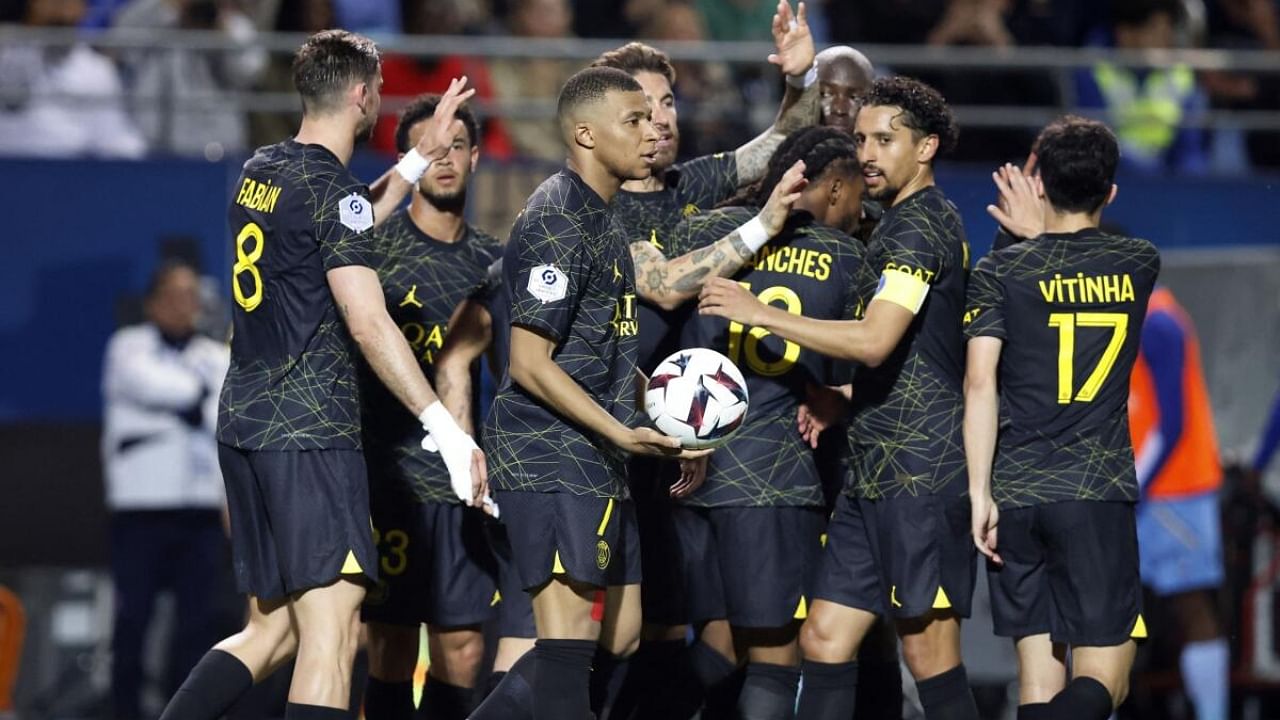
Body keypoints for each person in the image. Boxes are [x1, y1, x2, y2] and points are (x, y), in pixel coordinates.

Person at [157, 30, 483, 720]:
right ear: (363, 96)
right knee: (333, 635)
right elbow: (367, 321)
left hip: (244, 421)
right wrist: (443, 429)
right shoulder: (333, 192)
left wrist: (416, 163)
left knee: (272, 629)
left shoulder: (262, 169)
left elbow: (341, 218)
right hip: (310, 430)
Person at [700, 76, 979, 720]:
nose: (870, 153)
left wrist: (756, 312)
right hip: (872, 469)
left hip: (920, 470)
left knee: (928, 653)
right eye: (861, 139)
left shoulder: (919, 226)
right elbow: (914, 351)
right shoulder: (895, 225)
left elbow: (878, 339)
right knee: (823, 638)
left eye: (887, 139)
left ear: (927, 147)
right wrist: (841, 395)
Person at [477, 65, 708, 720]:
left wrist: (664, 419)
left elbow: (605, 351)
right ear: (585, 132)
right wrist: (619, 431)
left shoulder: (604, 221)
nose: (653, 129)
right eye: (632, 120)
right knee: (567, 645)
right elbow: (528, 362)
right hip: (552, 457)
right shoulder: (557, 219)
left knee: (616, 633)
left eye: (654, 116)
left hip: (594, 460)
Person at [661, 126, 874, 720]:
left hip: (688, 475)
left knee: (717, 637)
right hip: (775, 480)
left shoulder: (710, 233)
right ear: (834, 186)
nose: (860, 213)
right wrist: (842, 396)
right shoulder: (848, 260)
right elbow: (875, 362)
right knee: (774, 661)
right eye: (856, 195)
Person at [962, 115, 1160, 720]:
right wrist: (1039, 232)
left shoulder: (999, 272)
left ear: (1039, 185)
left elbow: (978, 383)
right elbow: (1070, 263)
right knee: (1106, 684)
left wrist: (978, 495)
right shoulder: (1139, 261)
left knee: (1037, 685)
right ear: (1111, 192)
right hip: (1094, 495)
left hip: (1016, 497)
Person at [357, 95, 503, 720]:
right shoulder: (371, 249)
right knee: (387, 644)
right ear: (409, 160)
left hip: (466, 485)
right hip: (388, 482)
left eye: (459, 148)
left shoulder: (496, 262)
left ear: (476, 158)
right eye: (432, 149)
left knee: (464, 648)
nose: (446, 161)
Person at [102, 260, 231, 720]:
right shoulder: (127, 346)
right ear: (154, 301)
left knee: (196, 624)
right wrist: (195, 392)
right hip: (141, 511)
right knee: (132, 620)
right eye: (174, 295)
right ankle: (126, 711)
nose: (185, 305)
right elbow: (150, 386)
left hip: (198, 513)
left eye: (192, 295)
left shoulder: (215, 355)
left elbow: (222, 419)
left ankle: (182, 713)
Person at [1129, 287, 1229, 720]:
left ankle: (1213, 713)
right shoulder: (1128, 315)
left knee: (1191, 608)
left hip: (1175, 492)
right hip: (1143, 490)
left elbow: (1173, 423)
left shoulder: (1157, 321)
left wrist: (1134, 485)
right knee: (1108, 615)